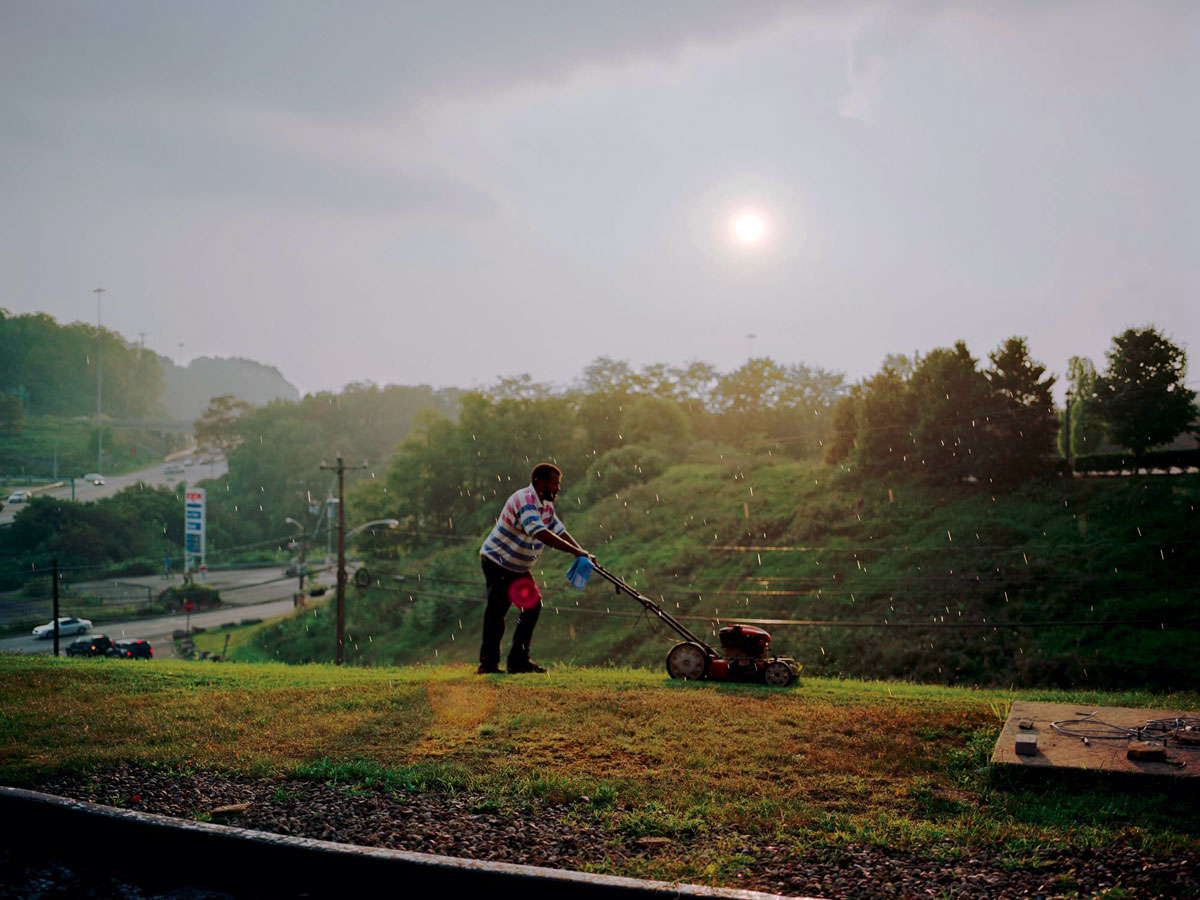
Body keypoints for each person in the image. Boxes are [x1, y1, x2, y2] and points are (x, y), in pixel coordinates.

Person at [478, 462, 591, 674]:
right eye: (554, 484)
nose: (558, 488)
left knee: (531, 607)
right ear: (539, 482)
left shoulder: (546, 506)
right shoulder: (524, 500)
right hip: (497, 561)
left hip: (517, 567)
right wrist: (576, 552)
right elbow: (540, 532)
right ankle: (488, 664)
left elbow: (559, 531)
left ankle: (518, 661)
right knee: (497, 611)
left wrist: (582, 552)